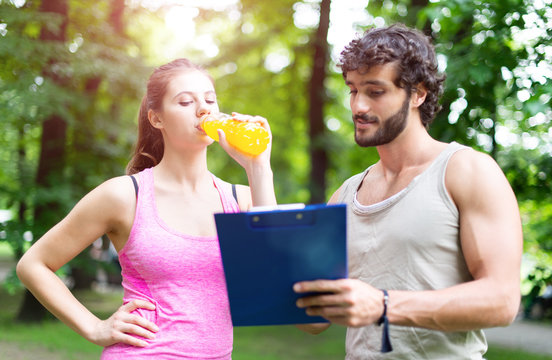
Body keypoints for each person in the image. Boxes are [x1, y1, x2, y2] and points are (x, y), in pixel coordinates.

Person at [17, 58, 276, 359]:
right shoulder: (126, 195)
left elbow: (273, 284)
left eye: (209, 99)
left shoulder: (242, 199)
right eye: (185, 101)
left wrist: (259, 169)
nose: (203, 109)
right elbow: (33, 264)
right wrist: (94, 327)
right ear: (157, 119)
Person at [293, 24, 523, 359]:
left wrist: (384, 305)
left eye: (375, 91)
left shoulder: (467, 170)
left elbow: (502, 300)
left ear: (418, 93)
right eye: (353, 90)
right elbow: (315, 320)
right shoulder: (345, 194)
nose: (358, 106)